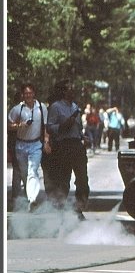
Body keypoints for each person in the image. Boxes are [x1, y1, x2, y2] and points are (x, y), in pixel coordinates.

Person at [46, 79, 89, 220]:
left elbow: (79, 128)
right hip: (63, 146)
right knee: (64, 179)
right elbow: (50, 127)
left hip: (77, 145)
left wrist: (83, 136)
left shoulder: (75, 107)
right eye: (70, 89)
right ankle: (61, 208)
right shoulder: (56, 107)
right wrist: (63, 125)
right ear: (64, 91)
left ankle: (79, 206)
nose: (73, 91)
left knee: (82, 178)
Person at [7, 81, 51, 212]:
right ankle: (29, 196)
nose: (28, 95)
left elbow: (45, 126)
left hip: (35, 144)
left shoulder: (41, 107)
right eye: (26, 93)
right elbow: (8, 125)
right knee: (25, 174)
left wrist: (46, 142)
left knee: (33, 170)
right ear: (22, 95)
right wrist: (21, 125)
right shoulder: (17, 109)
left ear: (34, 93)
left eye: (30, 93)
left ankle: (32, 199)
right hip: (20, 145)